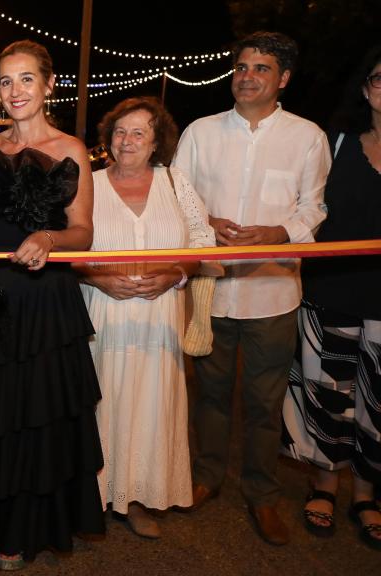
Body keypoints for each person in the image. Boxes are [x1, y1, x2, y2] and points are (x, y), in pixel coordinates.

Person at [0, 39, 103, 569]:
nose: (15, 91)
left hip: (43, 302)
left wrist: (50, 240)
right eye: (6, 81)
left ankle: (26, 531)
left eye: (26, 79)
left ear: (48, 85)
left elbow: (83, 232)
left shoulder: (71, 148)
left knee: (35, 417)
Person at [173, 31, 330, 546]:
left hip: (273, 291)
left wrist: (278, 233)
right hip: (211, 290)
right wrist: (205, 221)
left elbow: (314, 206)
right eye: (241, 67)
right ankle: (206, 477)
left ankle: (263, 495)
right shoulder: (201, 131)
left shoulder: (307, 136)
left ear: (282, 79)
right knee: (211, 395)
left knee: (265, 403)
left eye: (260, 69)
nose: (247, 77)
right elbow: (178, 192)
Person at [75, 97, 214, 538]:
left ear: (157, 141)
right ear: (108, 138)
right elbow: (65, 249)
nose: (127, 140)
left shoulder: (176, 183)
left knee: (152, 407)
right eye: (119, 131)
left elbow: (203, 242)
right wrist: (99, 279)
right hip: (102, 320)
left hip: (159, 323)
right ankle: (91, 497)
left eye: (139, 132)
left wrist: (175, 273)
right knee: (100, 403)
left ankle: (135, 498)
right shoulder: (87, 184)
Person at [284, 45, 381, 548]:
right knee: (329, 395)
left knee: (378, 403)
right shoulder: (337, 142)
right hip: (333, 291)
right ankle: (324, 485)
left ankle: (366, 494)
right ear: (366, 89)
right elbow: (310, 209)